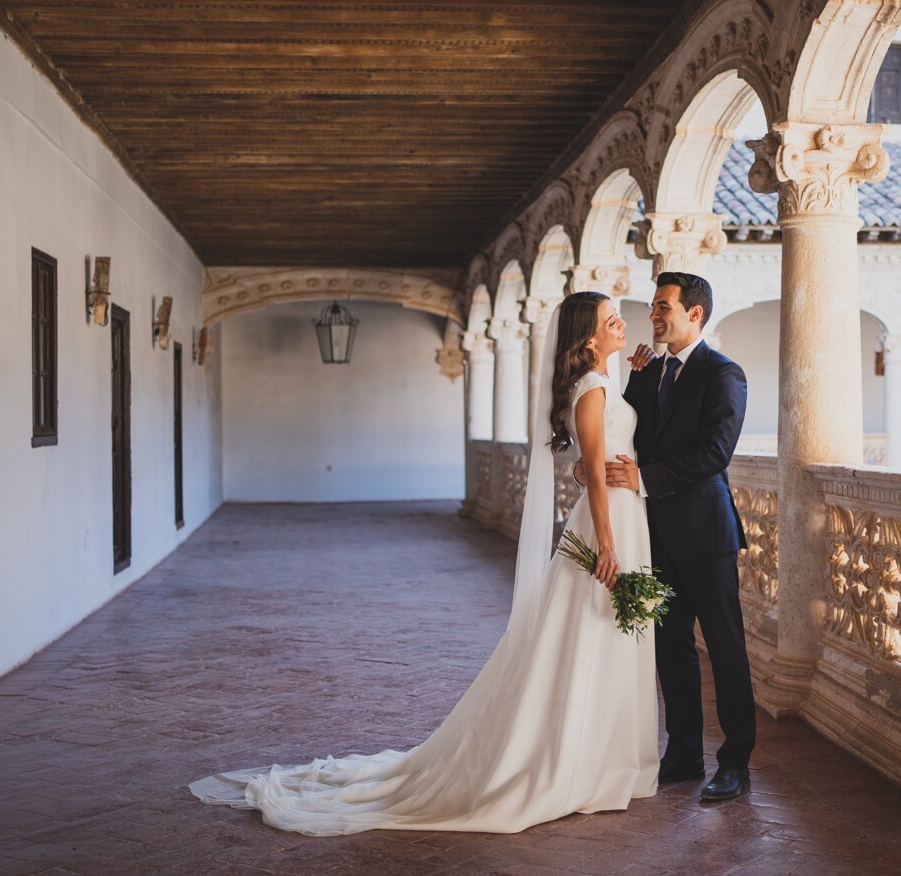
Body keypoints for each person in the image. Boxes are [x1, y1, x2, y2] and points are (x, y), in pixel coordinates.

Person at [188, 292, 659, 836]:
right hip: (609, 523)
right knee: (590, 635)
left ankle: (603, 755)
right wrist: (605, 541)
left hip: (623, 515)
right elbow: (594, 472)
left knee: (605, 634)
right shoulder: (594, 390)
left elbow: (586, 466)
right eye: (609, 319)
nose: (622, 322)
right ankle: (583, 759)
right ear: (587, 336)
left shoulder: (605, 383)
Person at [606, 271, 755, 802]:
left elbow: (715, 454)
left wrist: (645, 480)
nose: (654, 315)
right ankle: (685, 753)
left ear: (694, 313)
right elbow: (628, 431)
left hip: (706, 532)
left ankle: (735, 763)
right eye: (654, 306)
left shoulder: (724, 374)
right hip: (655, 534)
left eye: (664, 306)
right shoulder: (648, 372)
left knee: (725, 648)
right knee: (671, 647)